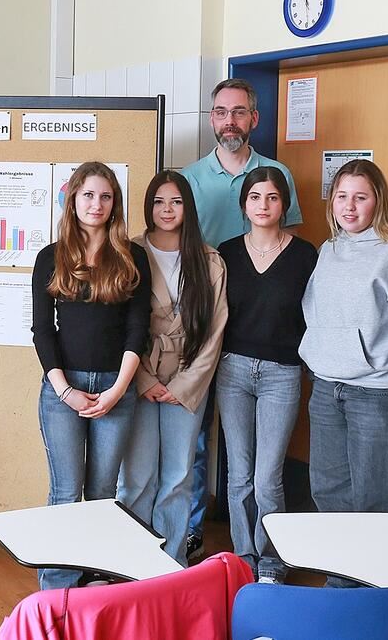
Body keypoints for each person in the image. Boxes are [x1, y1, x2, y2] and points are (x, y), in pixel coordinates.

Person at [299, 160, 388, 587]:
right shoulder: (329, 250)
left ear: (378, 201)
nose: (349, 206)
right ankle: (343, 587)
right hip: (327, 389)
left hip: (379, 396)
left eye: (361, 197)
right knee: (329, 493)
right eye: (342, 196)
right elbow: (315, 313)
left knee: (376, 501)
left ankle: (385, 596)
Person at [180, 77, 304, 558]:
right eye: (220, 112)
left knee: (257, 468)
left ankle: (268, 557)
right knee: (194, 441)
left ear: (254, 118)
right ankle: (193, 532)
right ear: (212, 119)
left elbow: (291, 258)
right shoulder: (191, 178)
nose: (228, 120)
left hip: (263, 342)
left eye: (238, 112)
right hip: (205, 329)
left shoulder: (276, 173)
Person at [31, 161, 151, 589]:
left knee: (102, 494)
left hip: (116, 389)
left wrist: (118, 389)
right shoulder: (51, 257)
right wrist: (65, 391)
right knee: (66, 491)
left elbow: (139, 330)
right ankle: (57, 590)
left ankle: (93, 584)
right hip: (64, 391)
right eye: (88, 195)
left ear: (114, 203)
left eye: (105, 196)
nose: (96, 204)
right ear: (73, 199)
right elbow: (42, 331)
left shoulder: (132, 256)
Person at [117, 170, 226, 567]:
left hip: (188, 382)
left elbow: (214, 333)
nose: (167, 210)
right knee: (137, 477)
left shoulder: (209, 259)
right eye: (160, 201)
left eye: (176, 202)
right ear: (148, 205)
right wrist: (143, 380)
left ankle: (171, 562)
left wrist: (182, 385)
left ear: (189, 207)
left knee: (179, 476)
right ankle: (130, 562)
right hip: (137, 377)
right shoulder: (128, 253)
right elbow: (119, 324)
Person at [216, 167, 317, 583]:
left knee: (267, 477)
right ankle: (243, 556)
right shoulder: (225, 252)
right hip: (233, 370)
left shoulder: (305, 254)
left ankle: (270, 560)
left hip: (282, 373)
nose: (263, 205)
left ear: (284, 204)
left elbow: (315, 317)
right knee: (238, 474)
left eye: (272, 198)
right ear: (244, 205)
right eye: (255, 197)